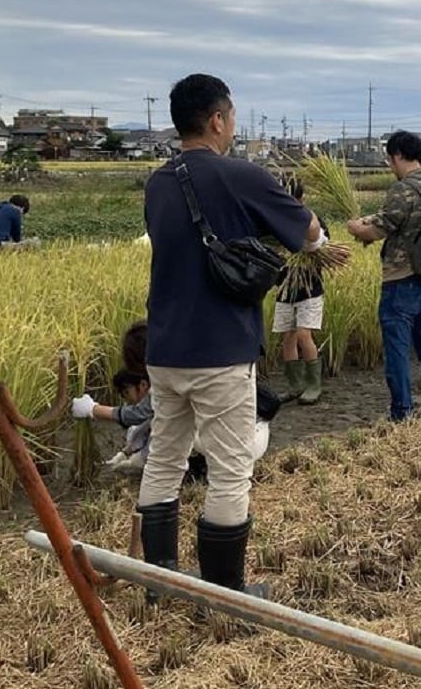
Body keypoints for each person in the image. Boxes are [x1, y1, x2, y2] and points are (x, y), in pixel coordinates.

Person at [137, 73, 321, 595]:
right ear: (217, 119)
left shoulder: (159, 182)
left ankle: (161, 578)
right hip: (219, 350)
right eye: (232, 116)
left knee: (166, 457)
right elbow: (308, 232)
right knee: (230, 468)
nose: (233, 125)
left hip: (165, 346)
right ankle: (225, 593)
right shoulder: (243, 175)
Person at [346, 130, 421, 423]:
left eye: (390, 159)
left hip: (400, 280)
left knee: (397, 349)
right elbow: (397, 221)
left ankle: (402, 412)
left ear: (398, 156)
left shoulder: (403, 189)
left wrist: (356, 227)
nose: (390, 165)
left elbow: (377, 229)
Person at [273, 177, 328, 405]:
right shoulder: (274, 222)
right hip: (285, 290)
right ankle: (295, 386)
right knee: (288, 338)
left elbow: (320, 245)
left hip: (310, 290)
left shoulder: (314, 222)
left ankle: (314, 385)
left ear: (301, 199)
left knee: (304, 334)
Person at [72, 367, 154, 475]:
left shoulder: (160, 391)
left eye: (127, 392)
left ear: (143, 385)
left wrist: (93, 409)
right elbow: (144, 425)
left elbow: (138, 414)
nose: (128, 401)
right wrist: (125, 453)